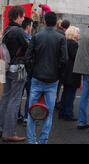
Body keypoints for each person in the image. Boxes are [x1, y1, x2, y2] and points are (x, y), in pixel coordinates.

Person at [24, 11, 68, 144]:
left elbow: (28, 58)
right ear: (56, 23)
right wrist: (58, 74)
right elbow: (64, 59)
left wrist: (31, 73)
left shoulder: (37, 36)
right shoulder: (61, 38)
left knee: (32, 110)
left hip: (37, 77)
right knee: (48, 112)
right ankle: (43, 140)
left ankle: (31, 141)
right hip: (52, 79)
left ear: (44, 22)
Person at [0, 6, 27, 142]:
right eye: (22, 16)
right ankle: (9, 132)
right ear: (17, 16)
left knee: (5, 98)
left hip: (4, 67)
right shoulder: (19, 31)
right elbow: (28, 48)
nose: (23, 19)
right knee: (14, 100)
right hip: (17, 68)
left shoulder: (6, 30)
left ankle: (1, 128)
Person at [59, 26, 81, 121]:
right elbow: (77, 58)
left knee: (65, 93)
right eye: (78, 33)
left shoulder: (65, 42)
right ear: (74, 34)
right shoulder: (74, 44)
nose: (79, 35)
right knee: (70, 94)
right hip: (72, 72)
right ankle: (68, 114)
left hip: (65, 72)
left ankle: (62, 112)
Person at [20, 17, 33, 124]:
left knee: (17, 95)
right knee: (30, 94)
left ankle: (17, 115)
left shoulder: (16, 36)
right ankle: (27, 117)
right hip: (28, 70)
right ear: (28, 26)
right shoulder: (30, 39)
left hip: (18, 68)